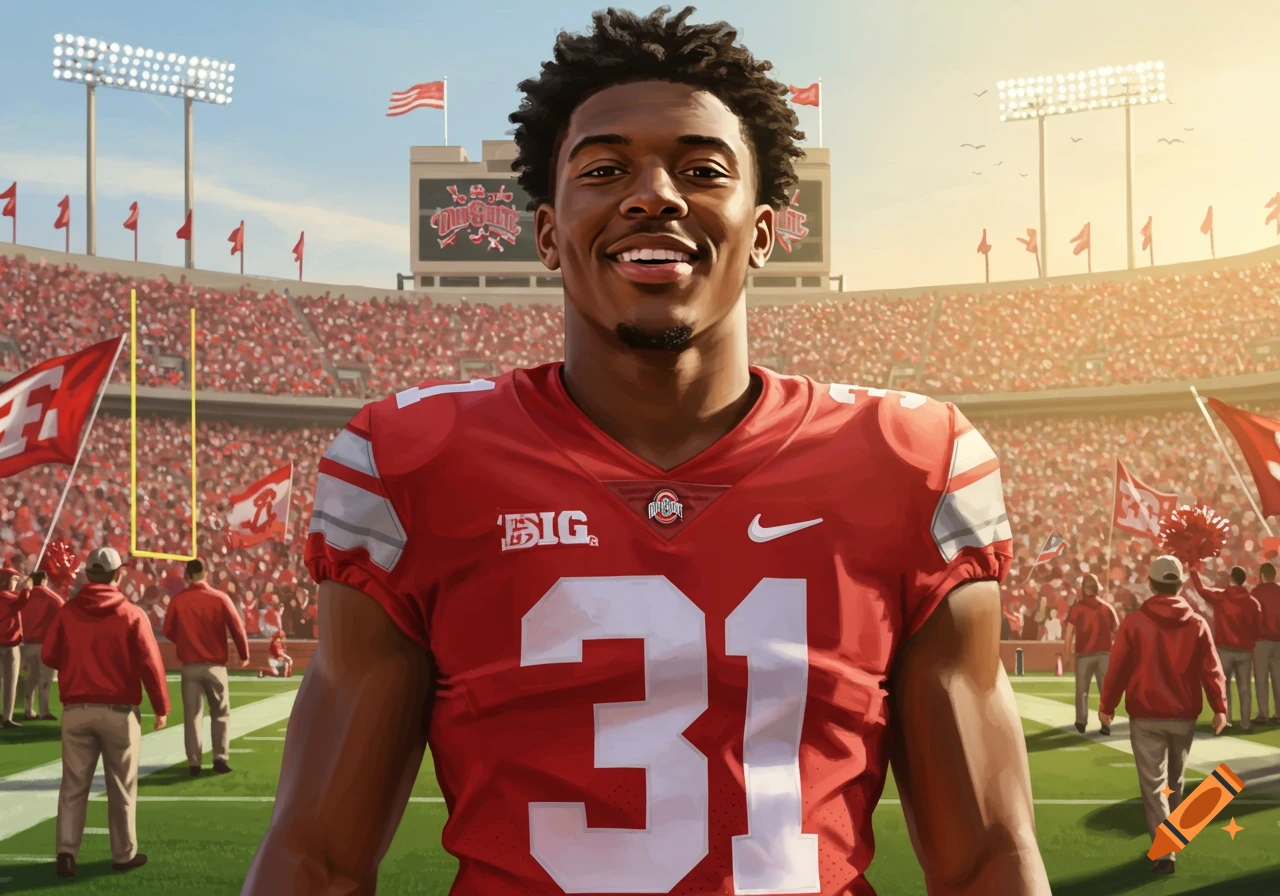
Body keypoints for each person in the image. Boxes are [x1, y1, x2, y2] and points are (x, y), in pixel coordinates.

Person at [243, 8, 1049, 895]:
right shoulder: (412, 461)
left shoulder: (908, 459)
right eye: (603, 168)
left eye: (703, 169)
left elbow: (989, 858)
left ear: (769, 232)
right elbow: (316, 859)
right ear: (548, 234)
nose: (655, 194)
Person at [41, 546, 170, 878]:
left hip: (76, 709)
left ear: (87, 575)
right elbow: (150, 665)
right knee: (122, 787)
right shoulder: (132, 614)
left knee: (73, 785)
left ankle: (66, 852)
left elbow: (49, 656)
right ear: (118, 575)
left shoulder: (68, 613)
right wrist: (161, 706)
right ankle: (123, 854)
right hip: (118, 711)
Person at [1099, 555, 1228, 876]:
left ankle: (1166, 850)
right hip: (1183, 713)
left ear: (1152, 585)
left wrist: (1107, 706)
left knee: (1154, 784)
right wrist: (1220, 707)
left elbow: (1117, 669)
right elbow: (1212, 669)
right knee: (1175, 780)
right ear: (1181, 583)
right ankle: (1170, 842)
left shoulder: (1134, 622)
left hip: (1146, 712)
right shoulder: (1197, 623)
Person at [163, 558, 250, 777]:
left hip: (190, 665)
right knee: (220, 713)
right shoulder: (220, 598)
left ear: (187, 576)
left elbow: (167, 630)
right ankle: (220, 758)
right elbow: (237, 627)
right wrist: (244, 654)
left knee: (192, 716)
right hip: (215, 666)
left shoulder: (178, 601)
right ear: (206, 574)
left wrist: (185, 640)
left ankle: (194, 762)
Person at [1189, 565, 1262, 731]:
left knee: (1224, 686)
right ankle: (1245, 722)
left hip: (1224, 648)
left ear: (1231, 579)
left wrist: (1193, 572)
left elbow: (1201, 590)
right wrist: (1252, 642)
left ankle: (1226, 719)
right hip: (1245, 651)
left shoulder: (1221, 597)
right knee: (1244, 688)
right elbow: (1258, 628)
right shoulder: (1253, 603)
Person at [1063, 574, 1119, 735]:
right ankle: (1106, 723)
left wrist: (1067, 654)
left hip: (1084, 655)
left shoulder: (1077, 608)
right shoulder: (1107, 607)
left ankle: (1081, 721)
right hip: (1105, 656)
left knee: (1082, 691)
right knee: (1106, 691)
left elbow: (1069, 634)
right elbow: (1118, 632)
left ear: (1083, 590)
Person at [19, 570, 65, 720]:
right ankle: (44, 711)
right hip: (46, 643)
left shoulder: (23, 597)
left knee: (31, 677)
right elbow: (63, 619)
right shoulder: (53, 599)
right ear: (45, 580)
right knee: (45, 679)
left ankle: (28, 710)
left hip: (25, 643)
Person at [0, 566, 30, 728]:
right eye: (14, 580)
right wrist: (26, 588)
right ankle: (7, 718)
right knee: (10, 684)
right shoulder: (9, 598)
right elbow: (22, 601)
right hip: (10, 645)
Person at [1253, 562, 1280, 723]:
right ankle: (1279, 714)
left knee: (1261, 678)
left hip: (1262, 640)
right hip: (1279, 641)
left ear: (1262, 575)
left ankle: (1264, 713)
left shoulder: (1256, 592)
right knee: (1278, 678)